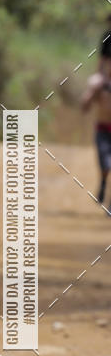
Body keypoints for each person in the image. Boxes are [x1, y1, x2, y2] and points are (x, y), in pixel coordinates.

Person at [81, 13, 111, 209]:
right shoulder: (107, 37)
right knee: (105, 163)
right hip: (106, 77)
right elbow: (101, 62)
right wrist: (98, 82)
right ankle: (102, 183)